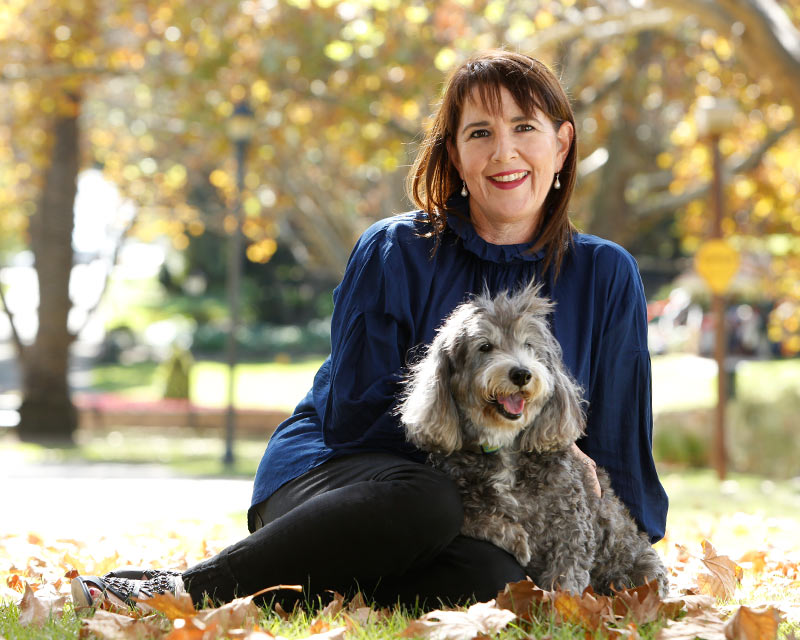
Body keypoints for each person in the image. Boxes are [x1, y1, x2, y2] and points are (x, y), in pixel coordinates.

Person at [71, 49, 668, 612]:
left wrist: (623, 560)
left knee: (497, 578)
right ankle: (183, 588)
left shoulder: (606, 273)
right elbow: (355, 419)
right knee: (431, 501)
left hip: (491, 514)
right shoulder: (395, 250)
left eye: (525, 129)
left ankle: (295, 595)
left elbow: (617, 450)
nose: (504, 153)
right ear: (456, 155)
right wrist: (484, 441)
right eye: (480, 133)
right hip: (351, 481)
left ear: (562, 146)